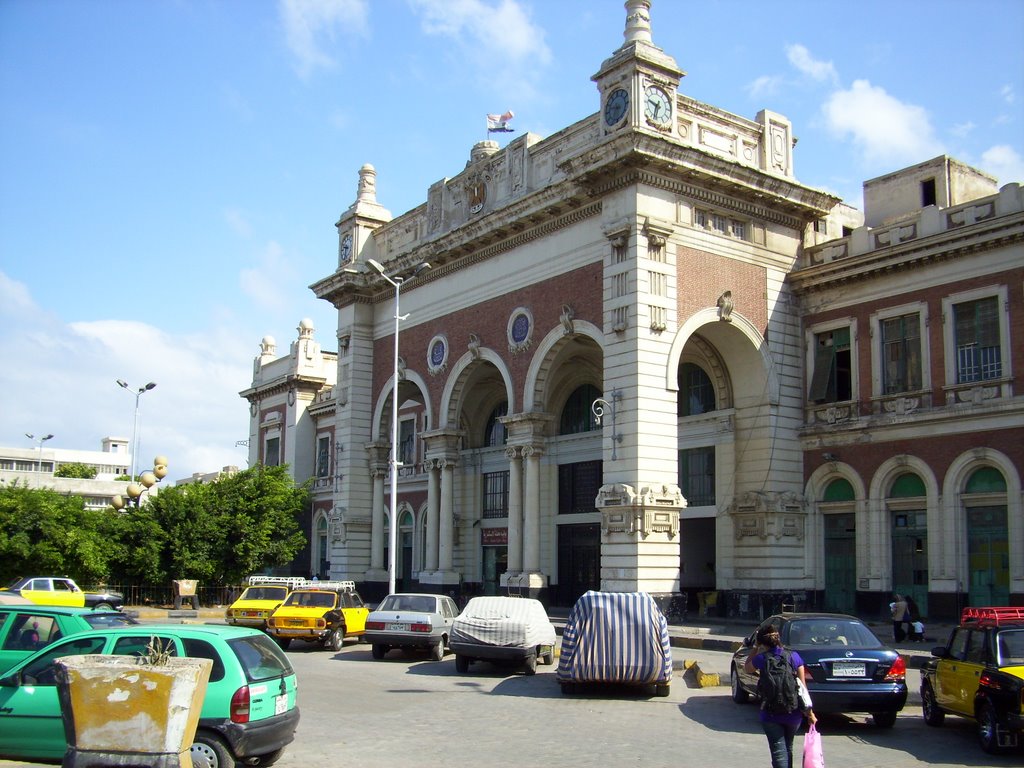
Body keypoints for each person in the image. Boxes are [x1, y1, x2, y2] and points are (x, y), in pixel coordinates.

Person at [744, 623, 816, 768]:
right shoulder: (794, 657)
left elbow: (747, 668)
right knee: (788, 748)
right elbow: (802, 688)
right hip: (793, 713)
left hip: (770, 713)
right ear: (778, 638)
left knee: (778, 751)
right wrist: (810, 713)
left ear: (763, 642)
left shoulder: (762, 659)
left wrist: (755, 648)